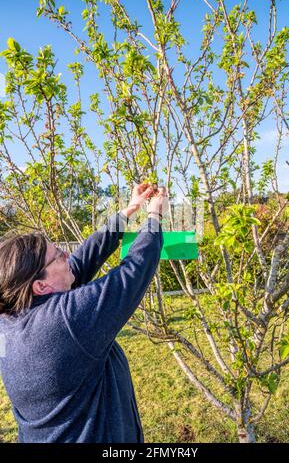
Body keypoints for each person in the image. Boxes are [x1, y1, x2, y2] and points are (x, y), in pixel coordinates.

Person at [0, 183, 167, 443]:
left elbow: (81, 261)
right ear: (41, 286)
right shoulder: (62, 324)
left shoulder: (10, 318)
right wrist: (154, 217)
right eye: (58, 256)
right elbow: (133, 272)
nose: (67, 254)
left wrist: (129, 211)